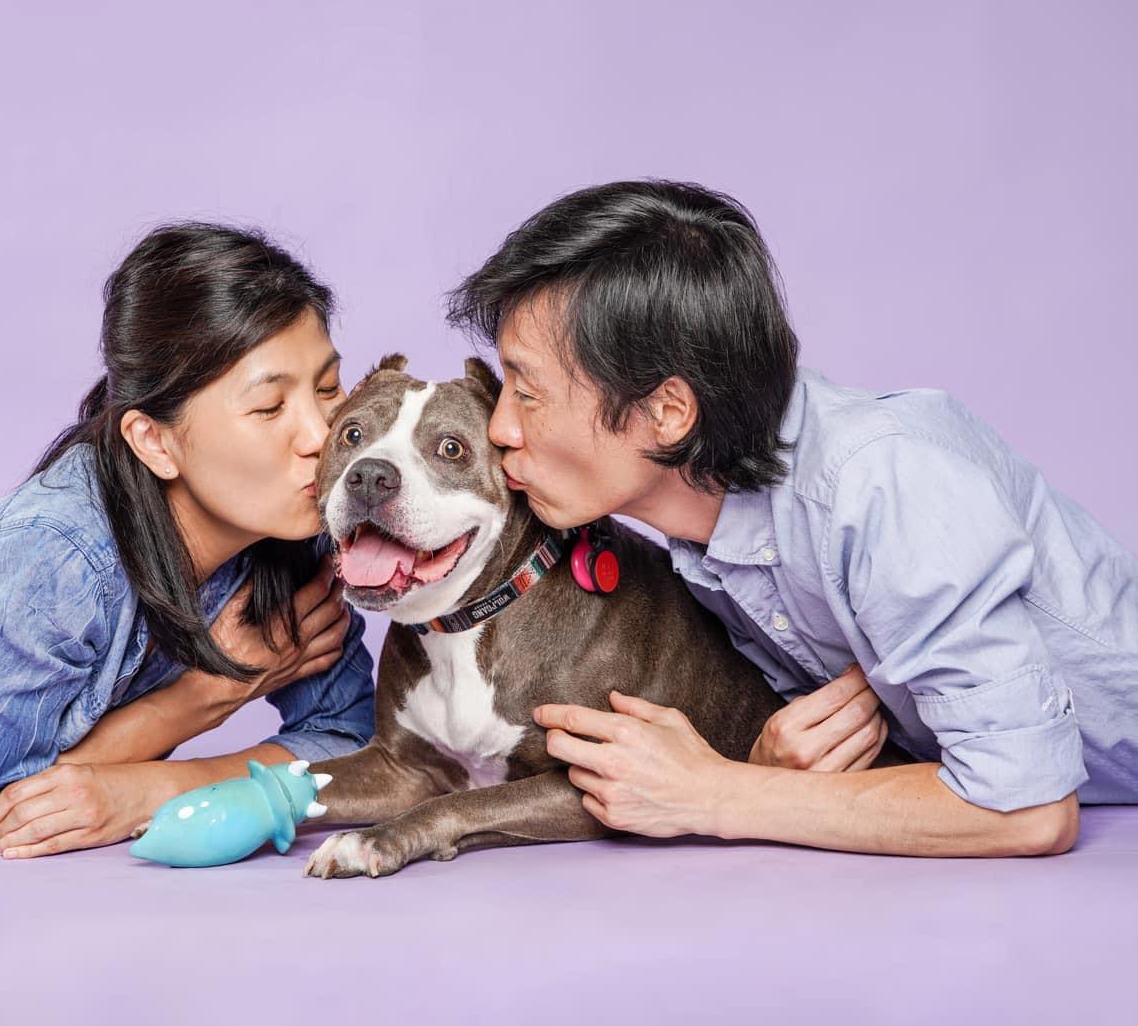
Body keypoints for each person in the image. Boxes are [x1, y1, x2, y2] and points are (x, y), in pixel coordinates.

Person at [447, 179, 1137, 857]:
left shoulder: (879, 484)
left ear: (668, 413)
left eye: (528, 392)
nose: (501, 426)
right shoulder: (697, 526)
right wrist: (761, 760)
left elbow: (1028, 808)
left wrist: (720, 792)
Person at [0, 222, 375, 855]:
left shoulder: (291, 515)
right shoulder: (56, 563)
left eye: (326, 388)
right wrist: (203, 697)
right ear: (154, 440)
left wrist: (154, 789)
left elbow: (358, 744)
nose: (321, 436)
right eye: (268, 408)